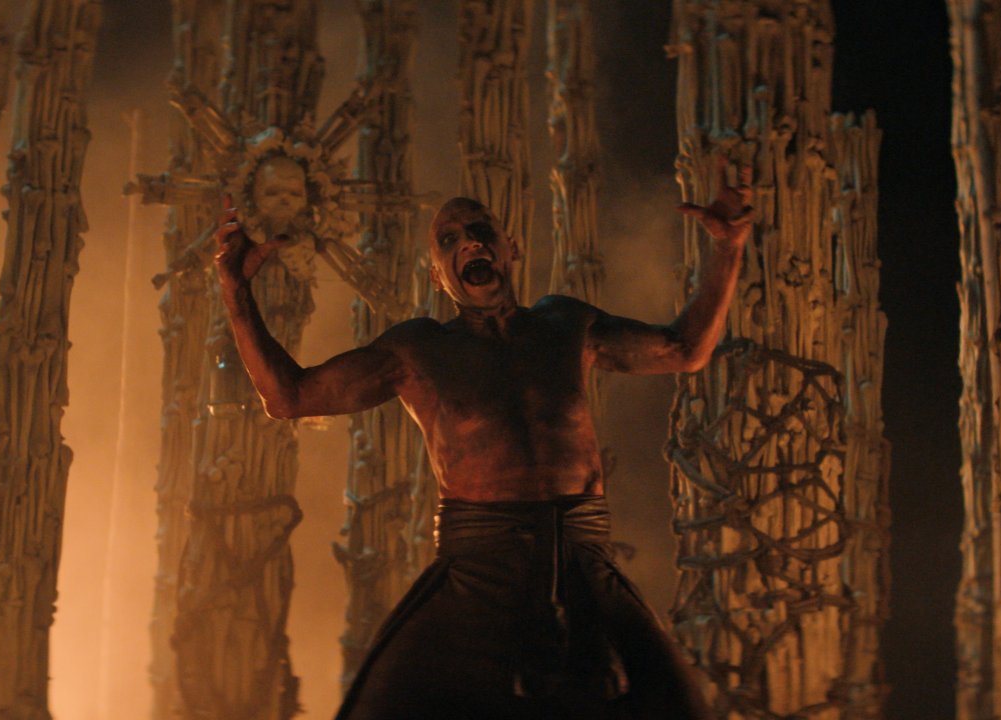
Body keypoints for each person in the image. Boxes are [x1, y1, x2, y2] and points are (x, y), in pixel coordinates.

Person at [214, 162, 752, 719]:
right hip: (477, 567)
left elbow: (684, 350)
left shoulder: (566, 324)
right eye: (450, 240)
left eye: (479, 230)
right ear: (436, 276)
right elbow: (289, 397)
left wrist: (729, 247)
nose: (469, 242)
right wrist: (236, 290)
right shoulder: (417, 348)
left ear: (509, 249)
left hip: (583, 557)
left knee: (674, 705)